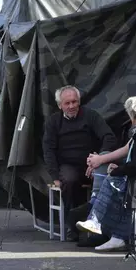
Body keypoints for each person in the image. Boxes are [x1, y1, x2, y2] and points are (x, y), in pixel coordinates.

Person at [76, 95, 136, 251]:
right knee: (115, 182)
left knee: (112, 181)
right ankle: (116, 235)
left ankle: (98, 222)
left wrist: (118, 170)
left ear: (134, 114)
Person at [42, 85, 118, 241]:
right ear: (59, 105)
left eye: (74, 102)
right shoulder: (53, 122)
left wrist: (99, 158)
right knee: (69, 181)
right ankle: (74, 227)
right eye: (67, 103)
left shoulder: (91, 116)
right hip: (68, 166)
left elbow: (109, 137)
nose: (71, 106)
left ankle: (104, 227)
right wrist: (55, 176)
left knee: (110, 179)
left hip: (92, 163)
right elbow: (48, 150)